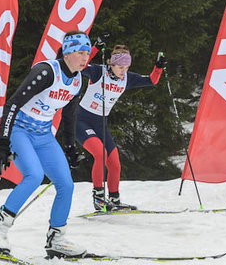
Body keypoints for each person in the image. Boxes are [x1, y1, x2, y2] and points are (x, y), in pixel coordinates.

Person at [0, 30, 92, 258]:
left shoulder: (79, 80)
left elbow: (69, 116)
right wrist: (3, 142)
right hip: (19, 130)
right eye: (81, 52)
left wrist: (70, 147)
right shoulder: (46, 72)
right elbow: (12, 104)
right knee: (33, 176)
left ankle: (57, 239)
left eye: (88, 52)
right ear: (68, 52)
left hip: (43, 135)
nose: (85, 58)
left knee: (66, 184)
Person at [67, 41, 166, 211]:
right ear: (110, 63)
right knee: (101, 154)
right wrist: (96, 47)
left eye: (126, 67)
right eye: (120, 67)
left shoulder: (127, 78)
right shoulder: (98, 72)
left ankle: (114, 200)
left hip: (100, 124)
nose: (123, 70)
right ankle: (98, 197)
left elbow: (152, 80)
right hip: (82, 121)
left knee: (115, 163)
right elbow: (79, 65)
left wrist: (158, 67)